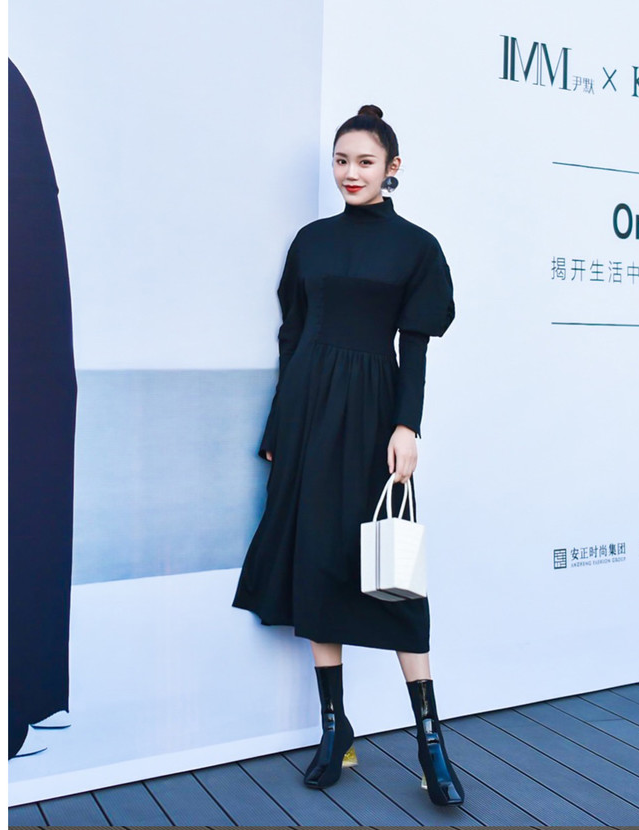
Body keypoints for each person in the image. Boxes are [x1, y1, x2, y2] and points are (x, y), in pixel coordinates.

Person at [233, 104, 464, 806]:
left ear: (392, 168)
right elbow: (291, 337)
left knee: (394, 576)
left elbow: (414, 348)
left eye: (365, 161)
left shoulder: (417, 247)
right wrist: (280, 422)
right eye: (341, 161)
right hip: (307, 411)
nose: (350, 173)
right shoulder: (311, 241)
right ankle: (335, 728)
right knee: (317, 560)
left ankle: (430, 740)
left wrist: (407, 426)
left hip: (371, 413)